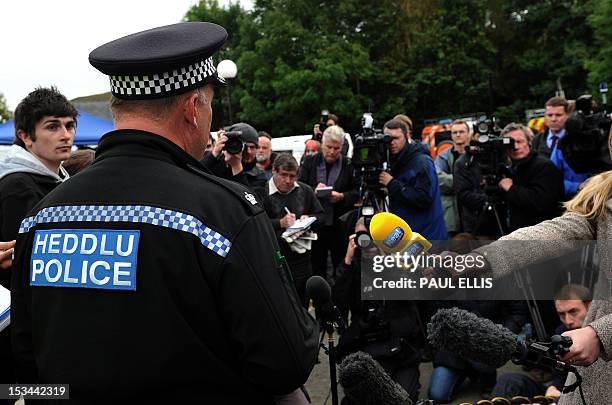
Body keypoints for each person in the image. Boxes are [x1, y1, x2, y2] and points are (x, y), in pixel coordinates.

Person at [11, 22, 318, 402]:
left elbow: (24, 363)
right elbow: (284, 362)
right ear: (193, 108)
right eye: (208, 103)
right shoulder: (222, 211)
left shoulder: (41, 217)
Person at [447, 128, 612, 404]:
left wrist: (601, 334)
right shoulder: (604, 195)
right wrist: (482, 259)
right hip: (598, 374)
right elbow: (557, 231)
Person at [0, 87, 76, 391]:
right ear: (25, 136)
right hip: (18, 329)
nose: (66, 135)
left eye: (69, 125)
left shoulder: (59, 180)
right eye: (53, 126)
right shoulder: (19, 186)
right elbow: (23, 267)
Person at [335, 218, 422, 402]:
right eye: (364, 236)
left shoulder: (400, 261)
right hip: (366, 346)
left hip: (400, 348)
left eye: (376, 236)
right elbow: (338, 302)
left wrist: (387, 254)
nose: (370, 243)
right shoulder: (354, 268)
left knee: (402, 399)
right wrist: (348, 260)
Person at [492, 285, 593, 403]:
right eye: (562, 314)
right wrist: (554, 387)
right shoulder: (561, 333)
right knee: (508, 380)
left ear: (590, 306)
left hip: (588, 395)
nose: (568, 321)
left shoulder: (602, 336)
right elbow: (560, 374)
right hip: (564, 390)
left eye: (573, 311)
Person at [259, 153, 323, 306]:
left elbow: (321, 216)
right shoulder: (262, 193)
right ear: (273, 171)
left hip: (302, 260)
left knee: (302, 305)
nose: (288, 181)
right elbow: (256, 225)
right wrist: (279, 223)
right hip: (275, 261)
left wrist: (308, 220)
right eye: (284, 175)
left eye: (292, 176)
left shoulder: (305, 191)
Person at [299, 125, 359, 281]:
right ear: (322, 144)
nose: (332, 152)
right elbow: (300, 186)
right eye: (329, 147)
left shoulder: (348, 164)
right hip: (316, 223)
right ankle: (320, 301)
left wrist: (342, 196)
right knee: (317, 265)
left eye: (336, 148)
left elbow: (357, 191)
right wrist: (314, 190)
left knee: (340, 263)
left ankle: (339, 299)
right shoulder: (310, 161)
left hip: (339, 223)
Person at [379, 119, 447, 240]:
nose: (392, 143)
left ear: (407, 136)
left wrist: (392, 183)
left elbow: (424, 198)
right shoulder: (395, 161)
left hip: (426, 234)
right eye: (388, 139)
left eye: (396, 138)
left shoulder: (421, 161)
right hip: (408, 232)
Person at [497, 123, 564, 231]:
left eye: (519, 141)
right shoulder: (509, 168)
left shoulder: (544, 166)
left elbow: (541, 203)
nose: (515, 147)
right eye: (510, 143)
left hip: (541, 233)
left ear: (529, 142)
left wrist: (511, 188)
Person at [201, 122, 267, 192]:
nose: (248, 151)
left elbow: (251, 199)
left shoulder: (259, 175)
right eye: (244, 147)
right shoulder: (216, 163)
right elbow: (195, 175)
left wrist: (236, 166)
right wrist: (214, 153)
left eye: (252, 147)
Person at [435, 119, 470, 235]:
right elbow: (438, 181)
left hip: (472, 213)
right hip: (452, 215)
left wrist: (449, 177)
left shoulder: (476, 155)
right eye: (455, 132)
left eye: (462, 131)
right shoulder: (443, 157)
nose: (458, 135)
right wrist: (467, 180)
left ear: (469, 133)